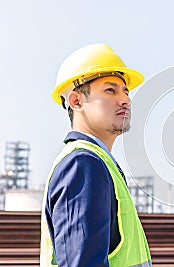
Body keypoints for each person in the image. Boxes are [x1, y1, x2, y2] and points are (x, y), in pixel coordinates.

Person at [40, 44, 152, 267]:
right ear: (76, 101)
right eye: (110, 90)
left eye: (126, 91)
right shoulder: (82, 165)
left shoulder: (99, 163)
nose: (125, 100)